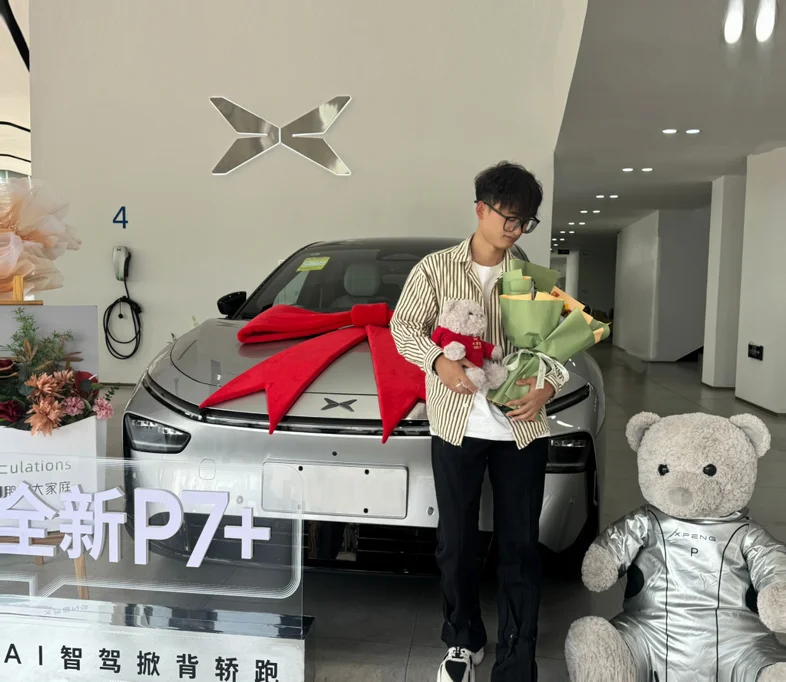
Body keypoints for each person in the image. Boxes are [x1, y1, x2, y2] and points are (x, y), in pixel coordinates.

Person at [390, 162, 566, 682]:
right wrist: (437, 361)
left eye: (525, 221)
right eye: (508, 217)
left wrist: (550, 385)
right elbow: (403, 327)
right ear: (480, 210)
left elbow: (561, 344)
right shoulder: (435, 269)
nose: (515, 229)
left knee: (520, 547)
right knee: (456, 543)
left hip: (521, 429)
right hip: (456, 426)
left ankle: (516, 661)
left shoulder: (532, 279)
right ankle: (462, 641)